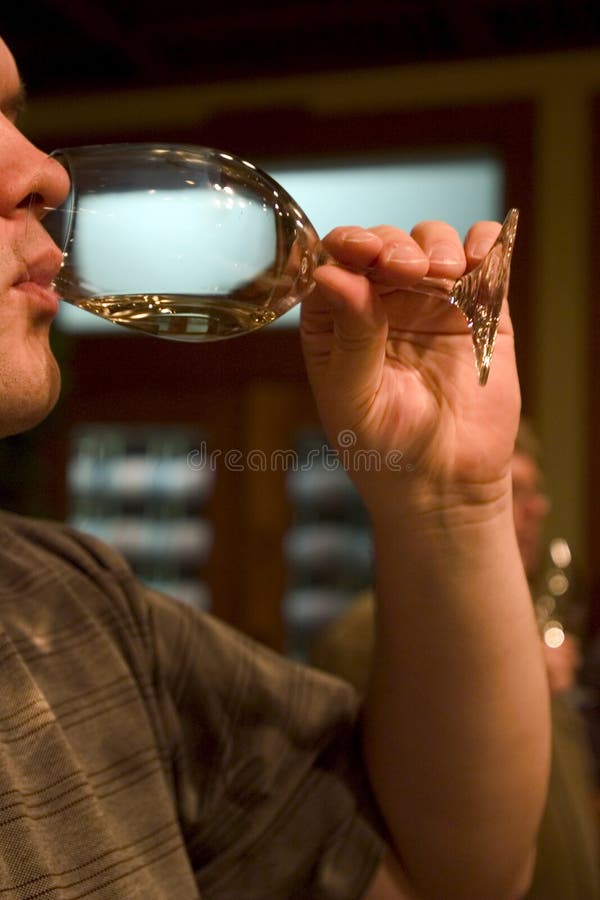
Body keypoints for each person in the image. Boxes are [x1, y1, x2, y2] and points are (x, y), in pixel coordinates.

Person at [0, 33, 550, 899]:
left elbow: (454, 873)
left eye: (10, 114)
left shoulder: (73, 604)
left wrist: (448, 501)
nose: (47, 175)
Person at [313, 420, 600, 898]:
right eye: (515, 491)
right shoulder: (370, 630)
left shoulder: (525, 623)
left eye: (538, 493)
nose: (537, 509)